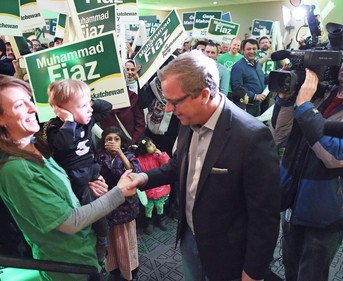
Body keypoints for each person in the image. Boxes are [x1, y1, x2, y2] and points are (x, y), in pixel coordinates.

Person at [129, 50, 281, 281]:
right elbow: (181, 164)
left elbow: (265, 216)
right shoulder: (188, 118)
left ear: (204, 94)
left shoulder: (252, 137)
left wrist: (254, 271)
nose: (168, 109)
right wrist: (144, 178)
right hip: (189, 237)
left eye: (173, 101)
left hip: (227, 252)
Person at [0, 75, 138, 281]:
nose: (33, 109)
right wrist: (118, 193)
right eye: (20, 106)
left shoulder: (31, 146)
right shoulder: (16, 169)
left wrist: (89, 186)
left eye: (30, 100)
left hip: (83, 256)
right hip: (69, 268)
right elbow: (69, 222)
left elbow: (60, 192)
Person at [272, 64, 343, 281]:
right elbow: (281, 136)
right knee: (290, 263)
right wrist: (286, 101)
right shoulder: (325, 93)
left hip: (325, 211)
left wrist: (303, 105)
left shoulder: (311, 98)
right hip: (293, 197)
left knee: (311, 273)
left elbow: (334, 157)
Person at [46, 79, 113, 268]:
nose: (90, 109)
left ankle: (103, 235)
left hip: (91, 170)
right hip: (75, 178)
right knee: (94, 213)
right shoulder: (54, 128)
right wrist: (68, 119)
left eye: (88, 103)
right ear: (61, 111)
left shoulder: (87, 118)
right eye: (82, 105)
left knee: (103, 203)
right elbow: (64, 143)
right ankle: (100, 239)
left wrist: (86, 103)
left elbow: (106, 107)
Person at [96, 126, 141, 281]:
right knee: (111, 242)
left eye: (116, 139)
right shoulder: (100, 157)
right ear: (104, 141)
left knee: (125, 241)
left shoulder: (128, 155)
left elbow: (134, 171)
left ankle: (131, 270)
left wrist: (120, 154)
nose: (113, 142)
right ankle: (114, 270)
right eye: (109, 139)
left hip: (125, 206)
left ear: (122, 142)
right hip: (108, 205)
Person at [136, 136, 170, 235]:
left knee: (160, 205)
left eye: (152, 143)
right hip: (148, 189)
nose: (153, 146)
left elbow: (167, 165)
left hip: (159, 188)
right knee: (149, 207)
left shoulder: (157, 156)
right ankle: (149, 222)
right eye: (149, 145)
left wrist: (162, 156)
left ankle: (161, 219)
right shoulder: (138, 160)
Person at [231, 39, 266, 117]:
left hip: (257, 105)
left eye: (254, 49)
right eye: (248, 49)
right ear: (243, 50)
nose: (252, 51)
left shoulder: (257, 64)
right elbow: (237, 88)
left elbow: (262, 79)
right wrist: (254, 96)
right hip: (247, 106)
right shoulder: (238, 67)